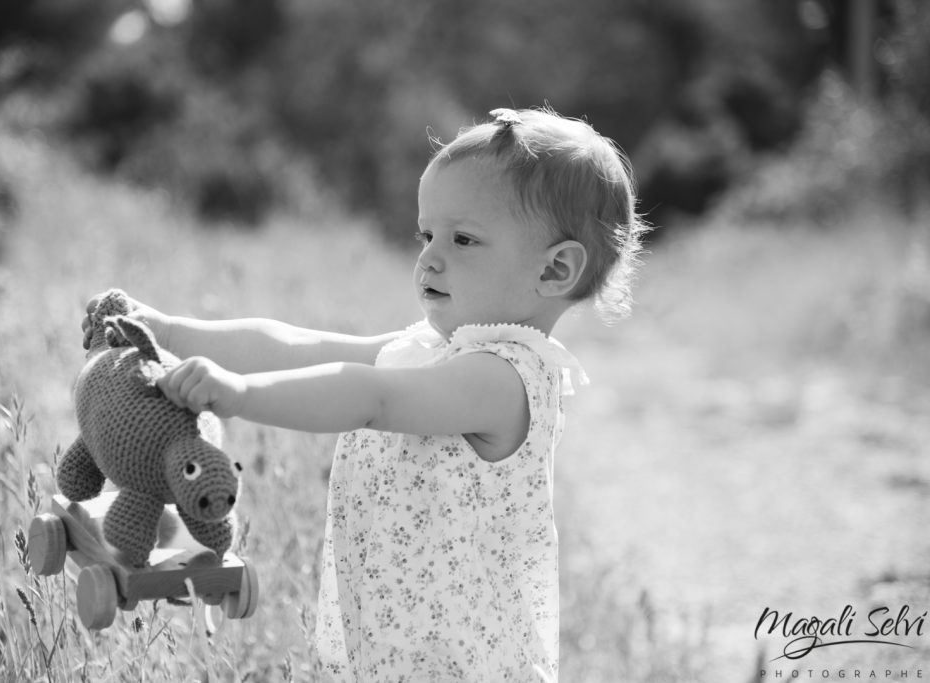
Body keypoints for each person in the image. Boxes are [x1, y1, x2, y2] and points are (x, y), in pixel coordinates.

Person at [82, 107, 647, 682]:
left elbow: (370, 396)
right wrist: (169, 332)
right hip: (397, 647)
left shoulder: (505, 380)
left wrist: (239, 394)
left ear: (554, 272)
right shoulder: (428, 347)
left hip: (464, 666)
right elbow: (296, 345)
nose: (430, 255)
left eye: (464, 239)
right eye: (427, 234)